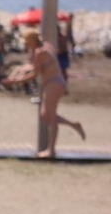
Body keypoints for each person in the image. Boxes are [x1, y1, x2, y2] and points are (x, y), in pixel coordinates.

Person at [26, 30, 87, 159]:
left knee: (51, 117)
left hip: (53, 84)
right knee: (45, 115)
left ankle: (51, 150)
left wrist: (14, 81)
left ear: (31, 41)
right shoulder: (46, 47)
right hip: (56, 83)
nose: (26, 44)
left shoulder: (39, 52)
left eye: (27, 41)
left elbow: (35, 74)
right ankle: (74, 125)